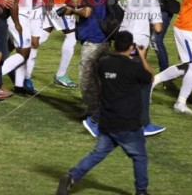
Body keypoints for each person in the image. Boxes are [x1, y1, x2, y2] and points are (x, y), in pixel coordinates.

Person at [56, 31, 152, 195]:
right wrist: (142, 56)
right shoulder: (134, 67)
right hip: (128, 123)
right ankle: (141, 191)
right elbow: (149, 78)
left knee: (97, 154)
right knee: (139, 157)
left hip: (108, 122)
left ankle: (72, 176)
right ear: (131, 47)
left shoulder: (104, 64)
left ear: (115, 45)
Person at [61, 0, 109, 136]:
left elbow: (87, 12)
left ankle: (93, 114)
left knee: (87, 78)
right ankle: (97, 112)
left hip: (94, 41)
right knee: (98, 78)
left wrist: (71, 10)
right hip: (102, 39)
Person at [120, 0, 165, 136]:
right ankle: (143, 124)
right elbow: (159, 28)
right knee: (143, 80)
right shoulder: (152, 2)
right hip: (137, 45)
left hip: (122, 41)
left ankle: (136, 120)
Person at [1, 0, 36, 94]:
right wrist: (17, 23)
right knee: (24, 52)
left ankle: (19, 85)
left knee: (20, 50)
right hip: (17, 17)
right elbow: (13, 3)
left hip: (22, 16)